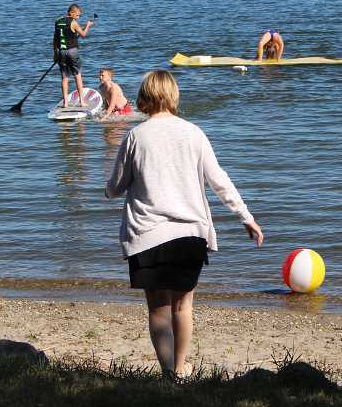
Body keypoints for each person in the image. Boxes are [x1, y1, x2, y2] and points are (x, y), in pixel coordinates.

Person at [106, 70, 264, 377]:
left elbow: (115, 187)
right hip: (190, 235)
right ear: (173, 95)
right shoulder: (194, 133)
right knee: (183, 306)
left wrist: (110, 187)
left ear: (144, 97)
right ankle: (180, 368)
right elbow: (219, 181)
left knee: (158, 309)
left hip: (148, 235)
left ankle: (168, 371)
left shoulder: (136, 136)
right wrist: (246, 217)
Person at [53, 4, 94, 107]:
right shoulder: (73, 22)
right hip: (72, 51)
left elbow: (55, 39)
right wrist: (88, 26)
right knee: (77, 75)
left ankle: (66, 103)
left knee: (64, 77)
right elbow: (83, 34)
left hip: (61, 52)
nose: (78, 17)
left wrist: (55, 54)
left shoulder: (58, 21)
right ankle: (82, 101)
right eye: (77, 15)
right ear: (71, 13)